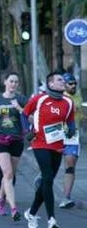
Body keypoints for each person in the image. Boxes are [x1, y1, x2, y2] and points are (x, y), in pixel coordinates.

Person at [23, 71, 75, 228]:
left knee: (48, 180)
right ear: (50, 84)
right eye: (59, 79)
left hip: (58, 145)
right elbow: (24, 114)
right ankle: (51, 219)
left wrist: (71, 131)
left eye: (63, 80)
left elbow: (70, 122)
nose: (62, 81)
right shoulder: (40, 99)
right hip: (40, 143)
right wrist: (28, 132)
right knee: (47, 177)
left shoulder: (68, 102)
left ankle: (31, 213)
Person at [0, 72, 27, 221]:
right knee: (7, 173)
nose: (13, 84)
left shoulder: (21, 99)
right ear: (5, 82)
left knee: (10, 175)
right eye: (11, 81)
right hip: (0, 141)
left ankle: (0, 198)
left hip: (17, 140)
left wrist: (20, 108)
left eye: (16, 82)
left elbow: (33, 118)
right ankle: (14, 210)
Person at [59, 73, 81, 209]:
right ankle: (42, 177)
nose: (73, 86)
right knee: (51, 164)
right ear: (64, 85)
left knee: (70, 165)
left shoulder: (77, 97)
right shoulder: (58, 97)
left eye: (74, 83)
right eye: (70, 83)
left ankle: (66, 197)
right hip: (57, 135)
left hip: (72, 136)